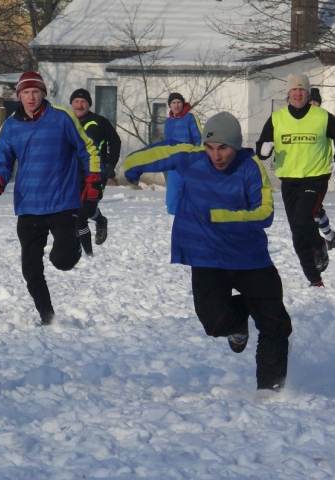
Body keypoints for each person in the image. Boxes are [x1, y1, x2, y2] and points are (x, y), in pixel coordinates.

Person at [124, 112, 292, 391]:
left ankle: (271, 391)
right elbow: (138, 158)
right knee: (214, 323)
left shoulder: (250, 167)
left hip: (248, 256)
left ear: (236, 146)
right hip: (208, 256)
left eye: (223, 148)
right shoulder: (190, 156)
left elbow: (265, 214)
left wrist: (223, 216)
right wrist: (131, 171)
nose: (216, 155)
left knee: (275, 324)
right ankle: (239, 320)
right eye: (210, 147)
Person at [0, 72, 102, 325]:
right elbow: (2, 160)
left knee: (62, 260)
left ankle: (74, 239)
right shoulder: (10, 126)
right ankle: (47, 316)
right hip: (28, 205)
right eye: (26, 93)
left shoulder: (61, 118)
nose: (31, 97)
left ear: (43, 94)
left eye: (35, 92)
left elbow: (88, 150)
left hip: (62, 203)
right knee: (30, 268)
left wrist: (93, 180)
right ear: (19, 96)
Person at [256, 73, 335, 287]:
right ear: (288, 94)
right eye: (294, 90)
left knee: (301, 223)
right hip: (288, 180)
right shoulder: (277, 118)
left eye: (302, 90)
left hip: (315, 178)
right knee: (298, 232)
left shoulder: (322, 116)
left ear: (307, 93)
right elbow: (262, 147)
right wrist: (264, 149)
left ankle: (314, 274)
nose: (298, 94)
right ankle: (315, 276)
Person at [70, 88, 121, 254]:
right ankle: (77, 244)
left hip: (97, 171)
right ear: (71, 104)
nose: (79, 104)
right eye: (76, 101)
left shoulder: (99, 121)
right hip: (73, 171)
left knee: (85, 208)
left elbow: (115, 141)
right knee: (75, 209)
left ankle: (99, 222)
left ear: (89, 104)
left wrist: (110, 164)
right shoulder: (67, 121)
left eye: (83, 101)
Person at [309, 87, 335, 250]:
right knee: (315, 210)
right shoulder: (302, 121)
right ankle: (330, 235)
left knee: (311, 211)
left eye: (316, 102)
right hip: (302, 172)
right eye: (311, 102)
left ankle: (315, 244)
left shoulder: (326, 119)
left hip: (320, 171)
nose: (313, 105)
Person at [163, 92, 202, 215]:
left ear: (183, 103)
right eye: (173, 102)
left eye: (179, 102)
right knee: (172, 196)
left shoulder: (190, 118)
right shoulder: (168, 122)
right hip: (173, 164)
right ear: (170, 105)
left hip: (189, 162)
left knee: (191, 193)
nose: (176, 105)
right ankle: (173, 221)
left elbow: (199, 139)